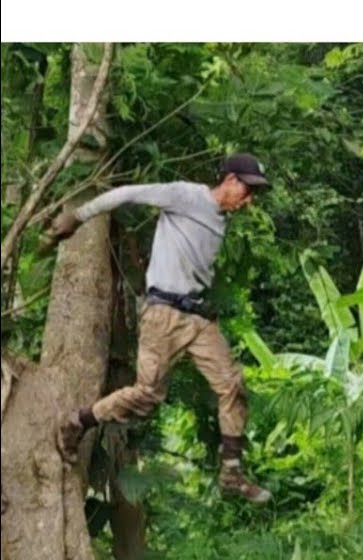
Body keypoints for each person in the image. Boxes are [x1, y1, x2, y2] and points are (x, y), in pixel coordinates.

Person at [50, 153, 273, 503]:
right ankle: (77, 421)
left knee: (232, 385)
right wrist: (77, 217)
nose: (249, 200)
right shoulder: (187, 196)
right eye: (247, 189)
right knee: (147, 395)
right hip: (163, 313)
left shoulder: (219, 220)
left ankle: (232, 472)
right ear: (229, 179)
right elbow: (126, 194)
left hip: (197, 318)